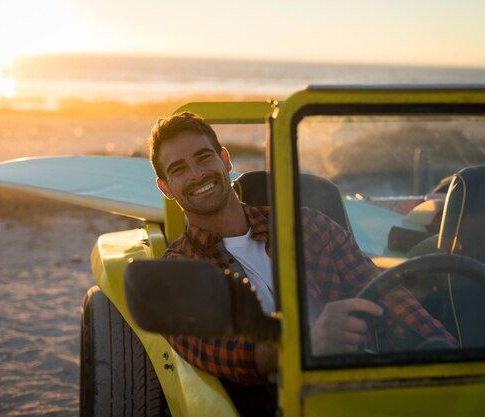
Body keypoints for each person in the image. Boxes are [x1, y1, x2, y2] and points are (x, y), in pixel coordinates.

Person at [148, 112, 452, 412]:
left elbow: (385, 292)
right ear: (166, 188)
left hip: (364, 391)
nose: (198, 174)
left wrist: (445, 350)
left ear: (225, 159)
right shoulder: (175, 274)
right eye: (179, 169)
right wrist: (304, 345)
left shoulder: (308, 225)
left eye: (204, 157)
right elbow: (226, 351)